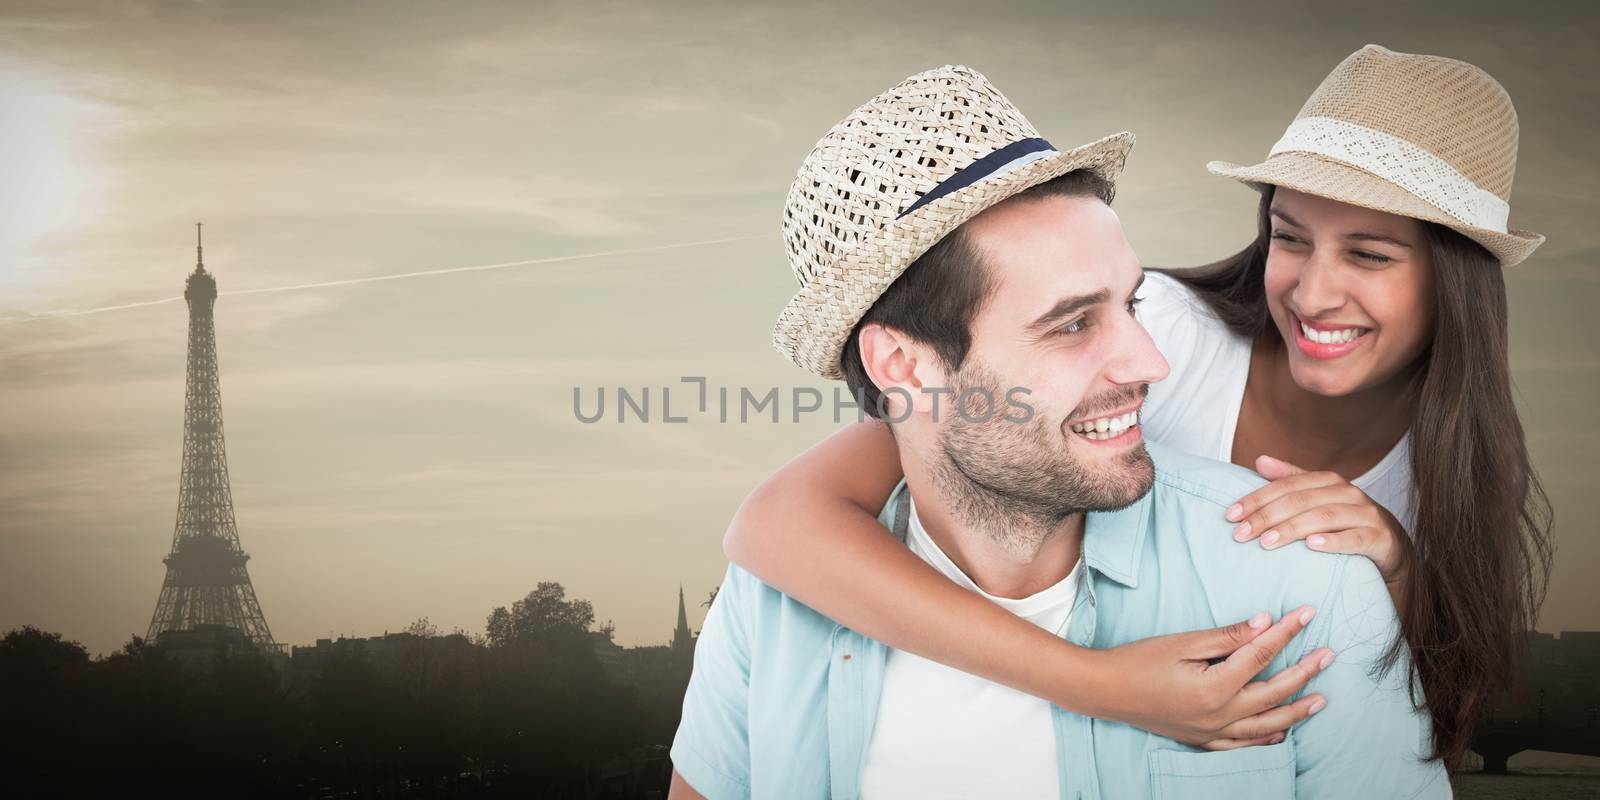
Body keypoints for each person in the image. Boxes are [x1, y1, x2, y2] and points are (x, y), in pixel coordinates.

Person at [720, 43, 1553, 774]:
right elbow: (787, 519)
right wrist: (1094, 684)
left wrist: (1393, 573)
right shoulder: (1162, 329)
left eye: (1369, 253)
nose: (1312, 289)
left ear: (1454, 281)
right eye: (1289, 237)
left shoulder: (1463, 460)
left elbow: (1398, 717)